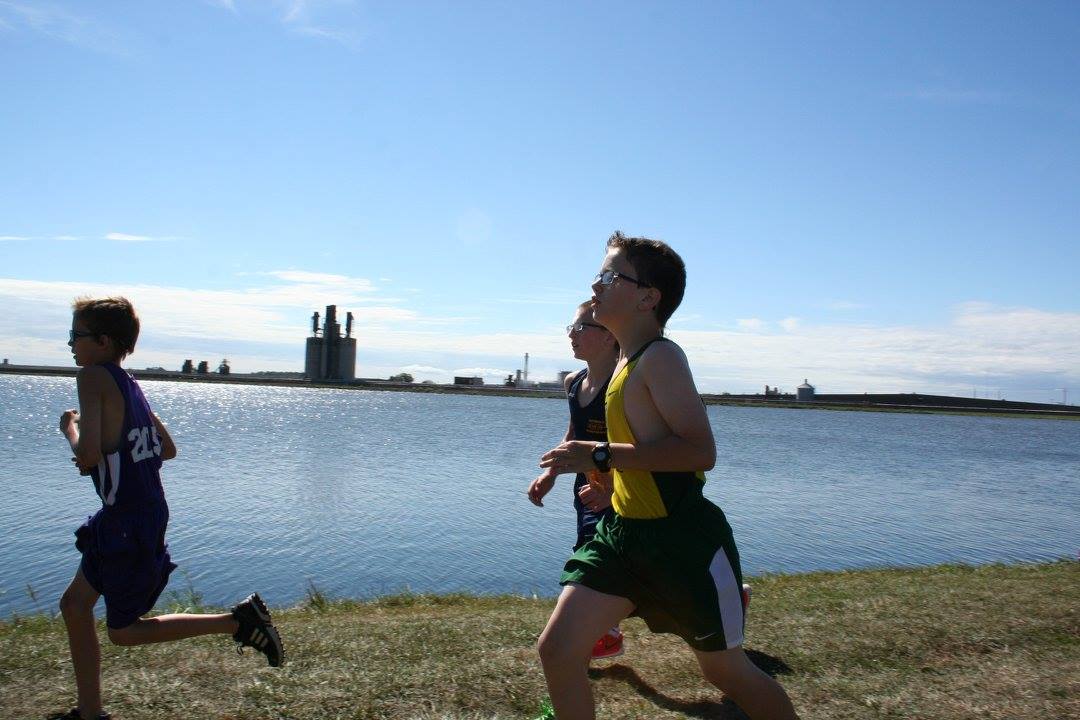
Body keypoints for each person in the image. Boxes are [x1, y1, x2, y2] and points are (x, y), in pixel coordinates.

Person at [536, 234, 798, 720]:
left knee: (725, 672)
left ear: (647, 297)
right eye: (598, 274)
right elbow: (640, 452)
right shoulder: (621, 362)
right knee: (558, 649)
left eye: (610, 276)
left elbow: (700, 451)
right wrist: (607, 481)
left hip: (682, 543)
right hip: (622, 535)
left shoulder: (661, 357)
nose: (596, 284)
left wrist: (599, 455)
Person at [57, 297, 284, 720]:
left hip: (126, 520)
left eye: (76, 335)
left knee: (124, 632)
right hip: (136, 514)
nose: (70, 344)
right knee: (74, 605)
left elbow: (87, 455)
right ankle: (89, 712)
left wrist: (69, 429)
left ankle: (239, 621)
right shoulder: (131, 384)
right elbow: (168, 449)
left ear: (103, 341)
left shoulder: (91, 376)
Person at [527, 301, 623, 660]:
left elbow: (640, 447)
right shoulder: (574, 382)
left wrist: (613, 491)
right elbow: (574, 434)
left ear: (609, 336)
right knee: (592, 552)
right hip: (586, 489)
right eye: (571, 327)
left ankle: (605, 632)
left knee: (601, 560)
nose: (572, 334)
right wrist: (550, 473)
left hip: (626, 493)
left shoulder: (624, 384)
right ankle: (608, 632)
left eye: (581, 327)